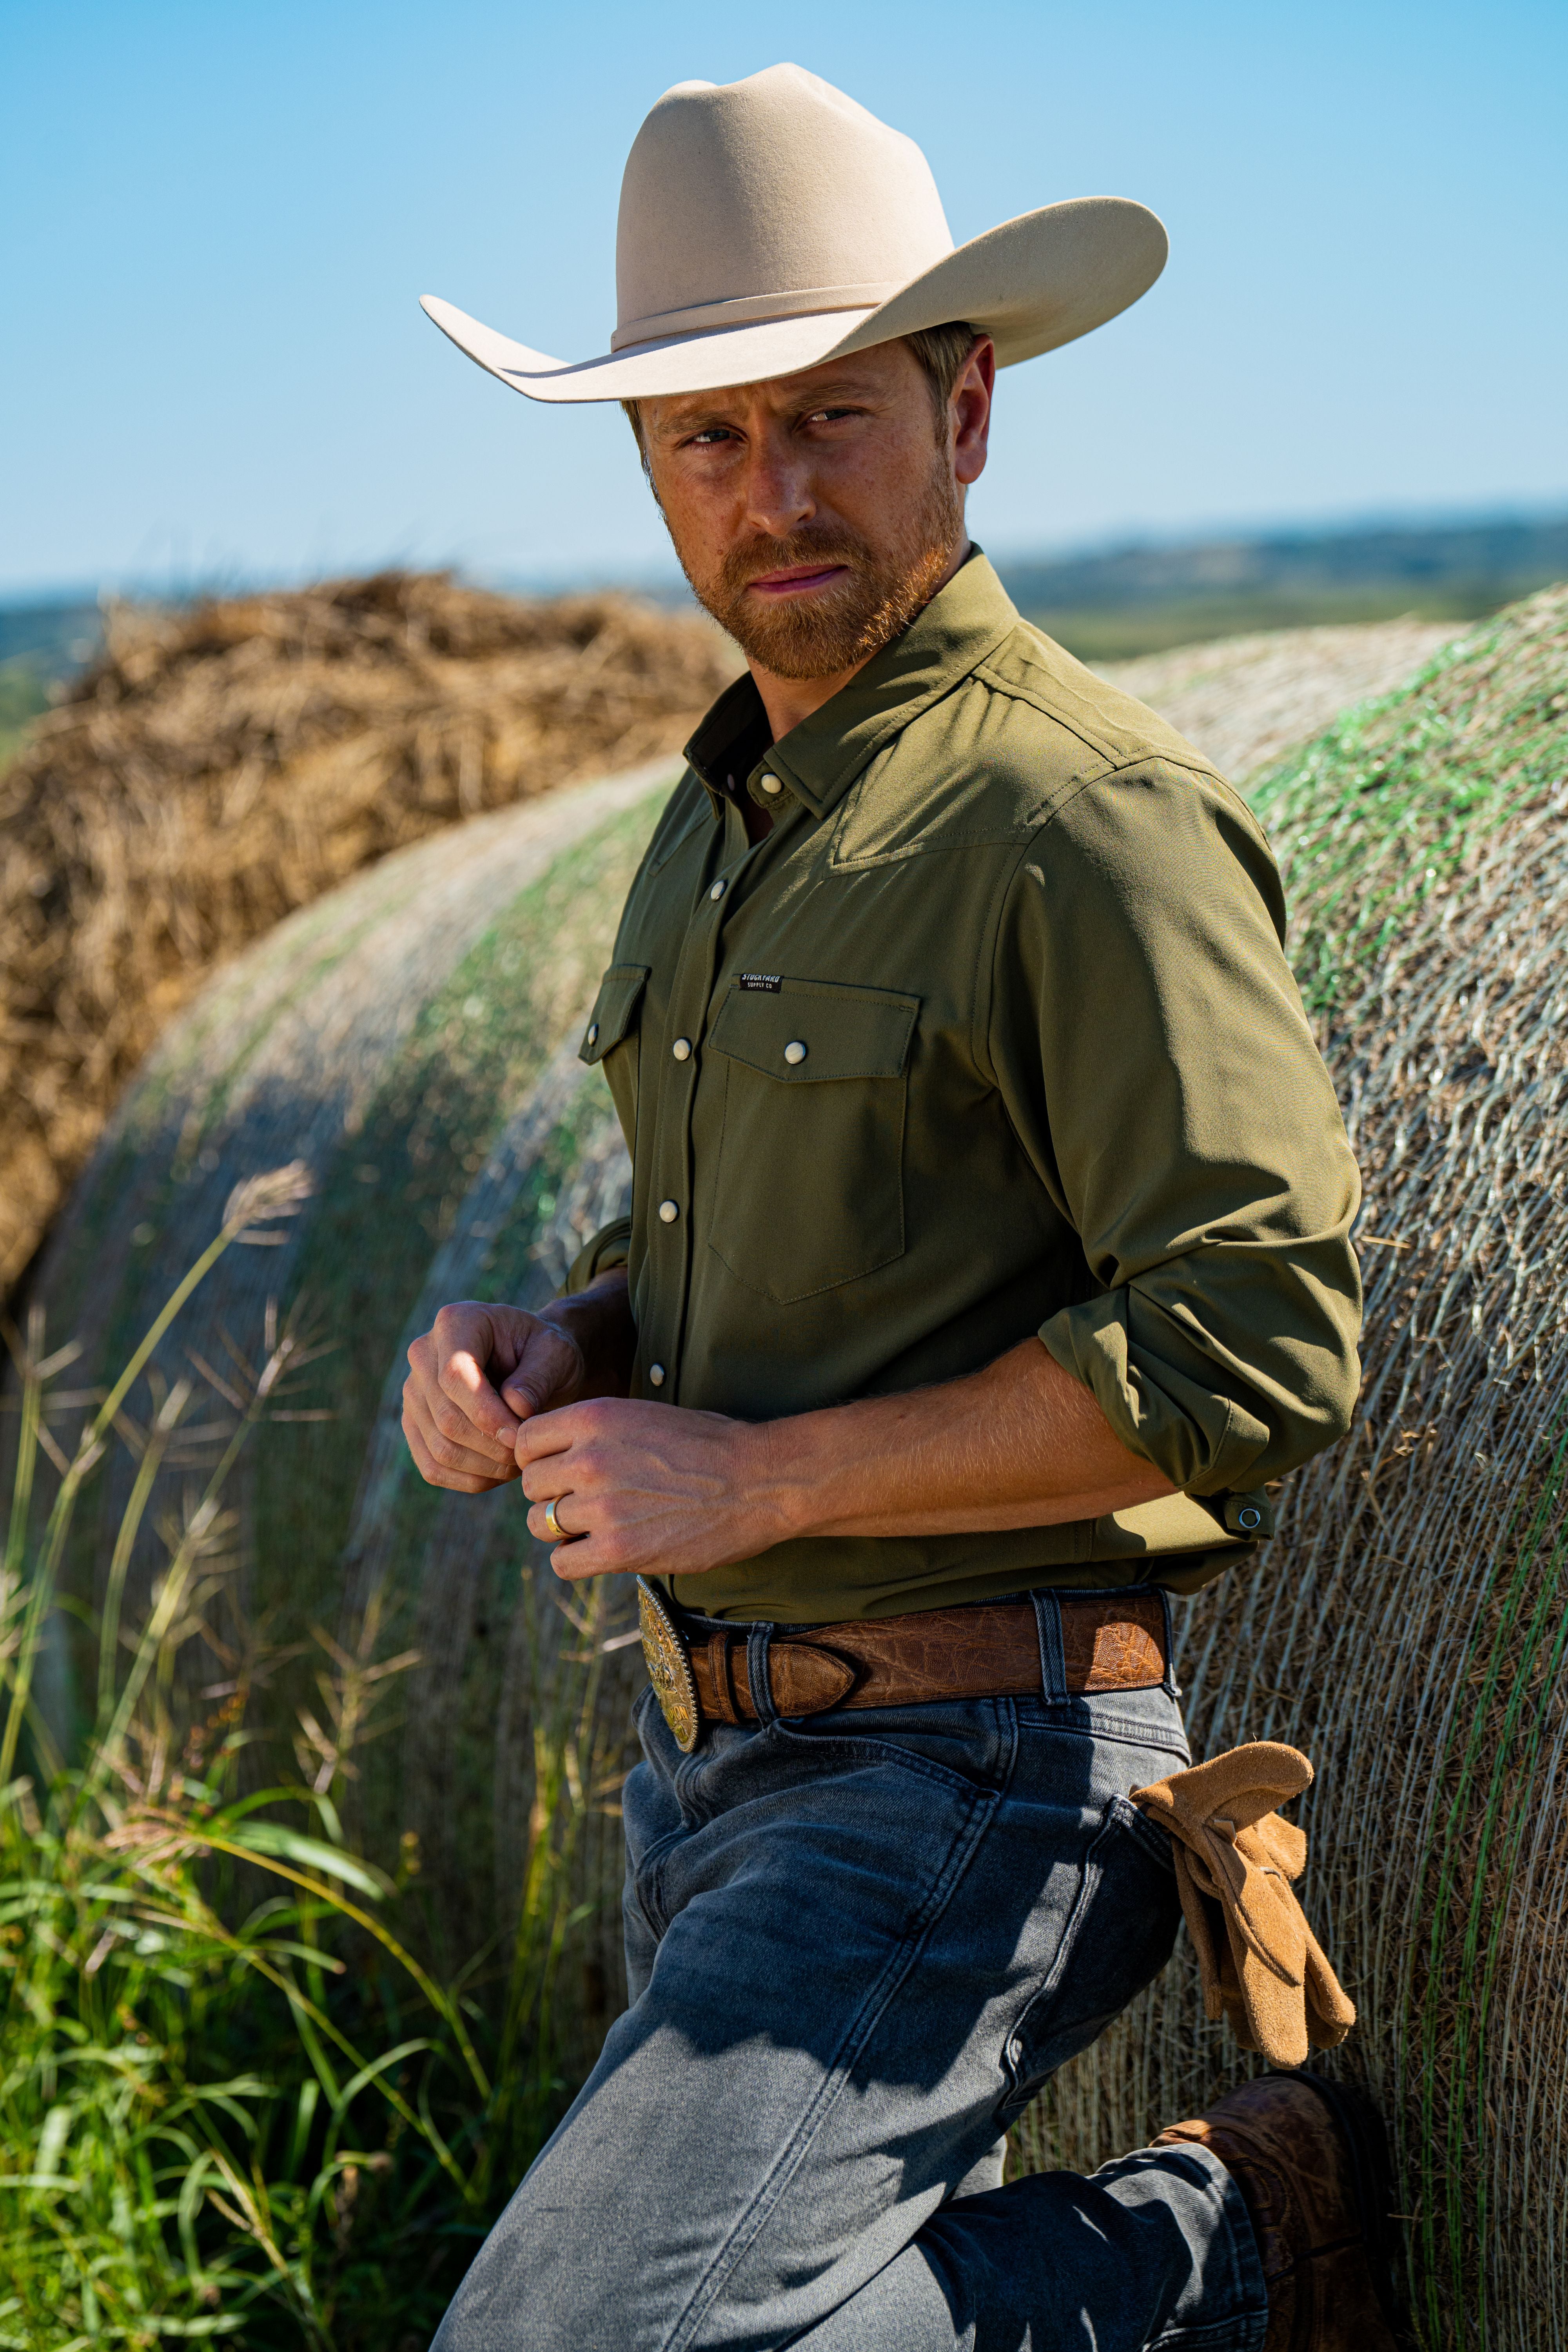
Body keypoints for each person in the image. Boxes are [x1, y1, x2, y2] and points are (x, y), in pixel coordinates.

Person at [404, 64, 1401, 2352]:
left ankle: (1220, 2258)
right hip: (717, 1767)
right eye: (707, 441)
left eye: (829, 417)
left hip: (982, 1768)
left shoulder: (1087, 818)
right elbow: (766, 1243)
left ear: (967, 410)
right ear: (646, 468)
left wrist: (752, 1477)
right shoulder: (725, 812)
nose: (773, 495)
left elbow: (1261, 1345)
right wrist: (566, 1350)